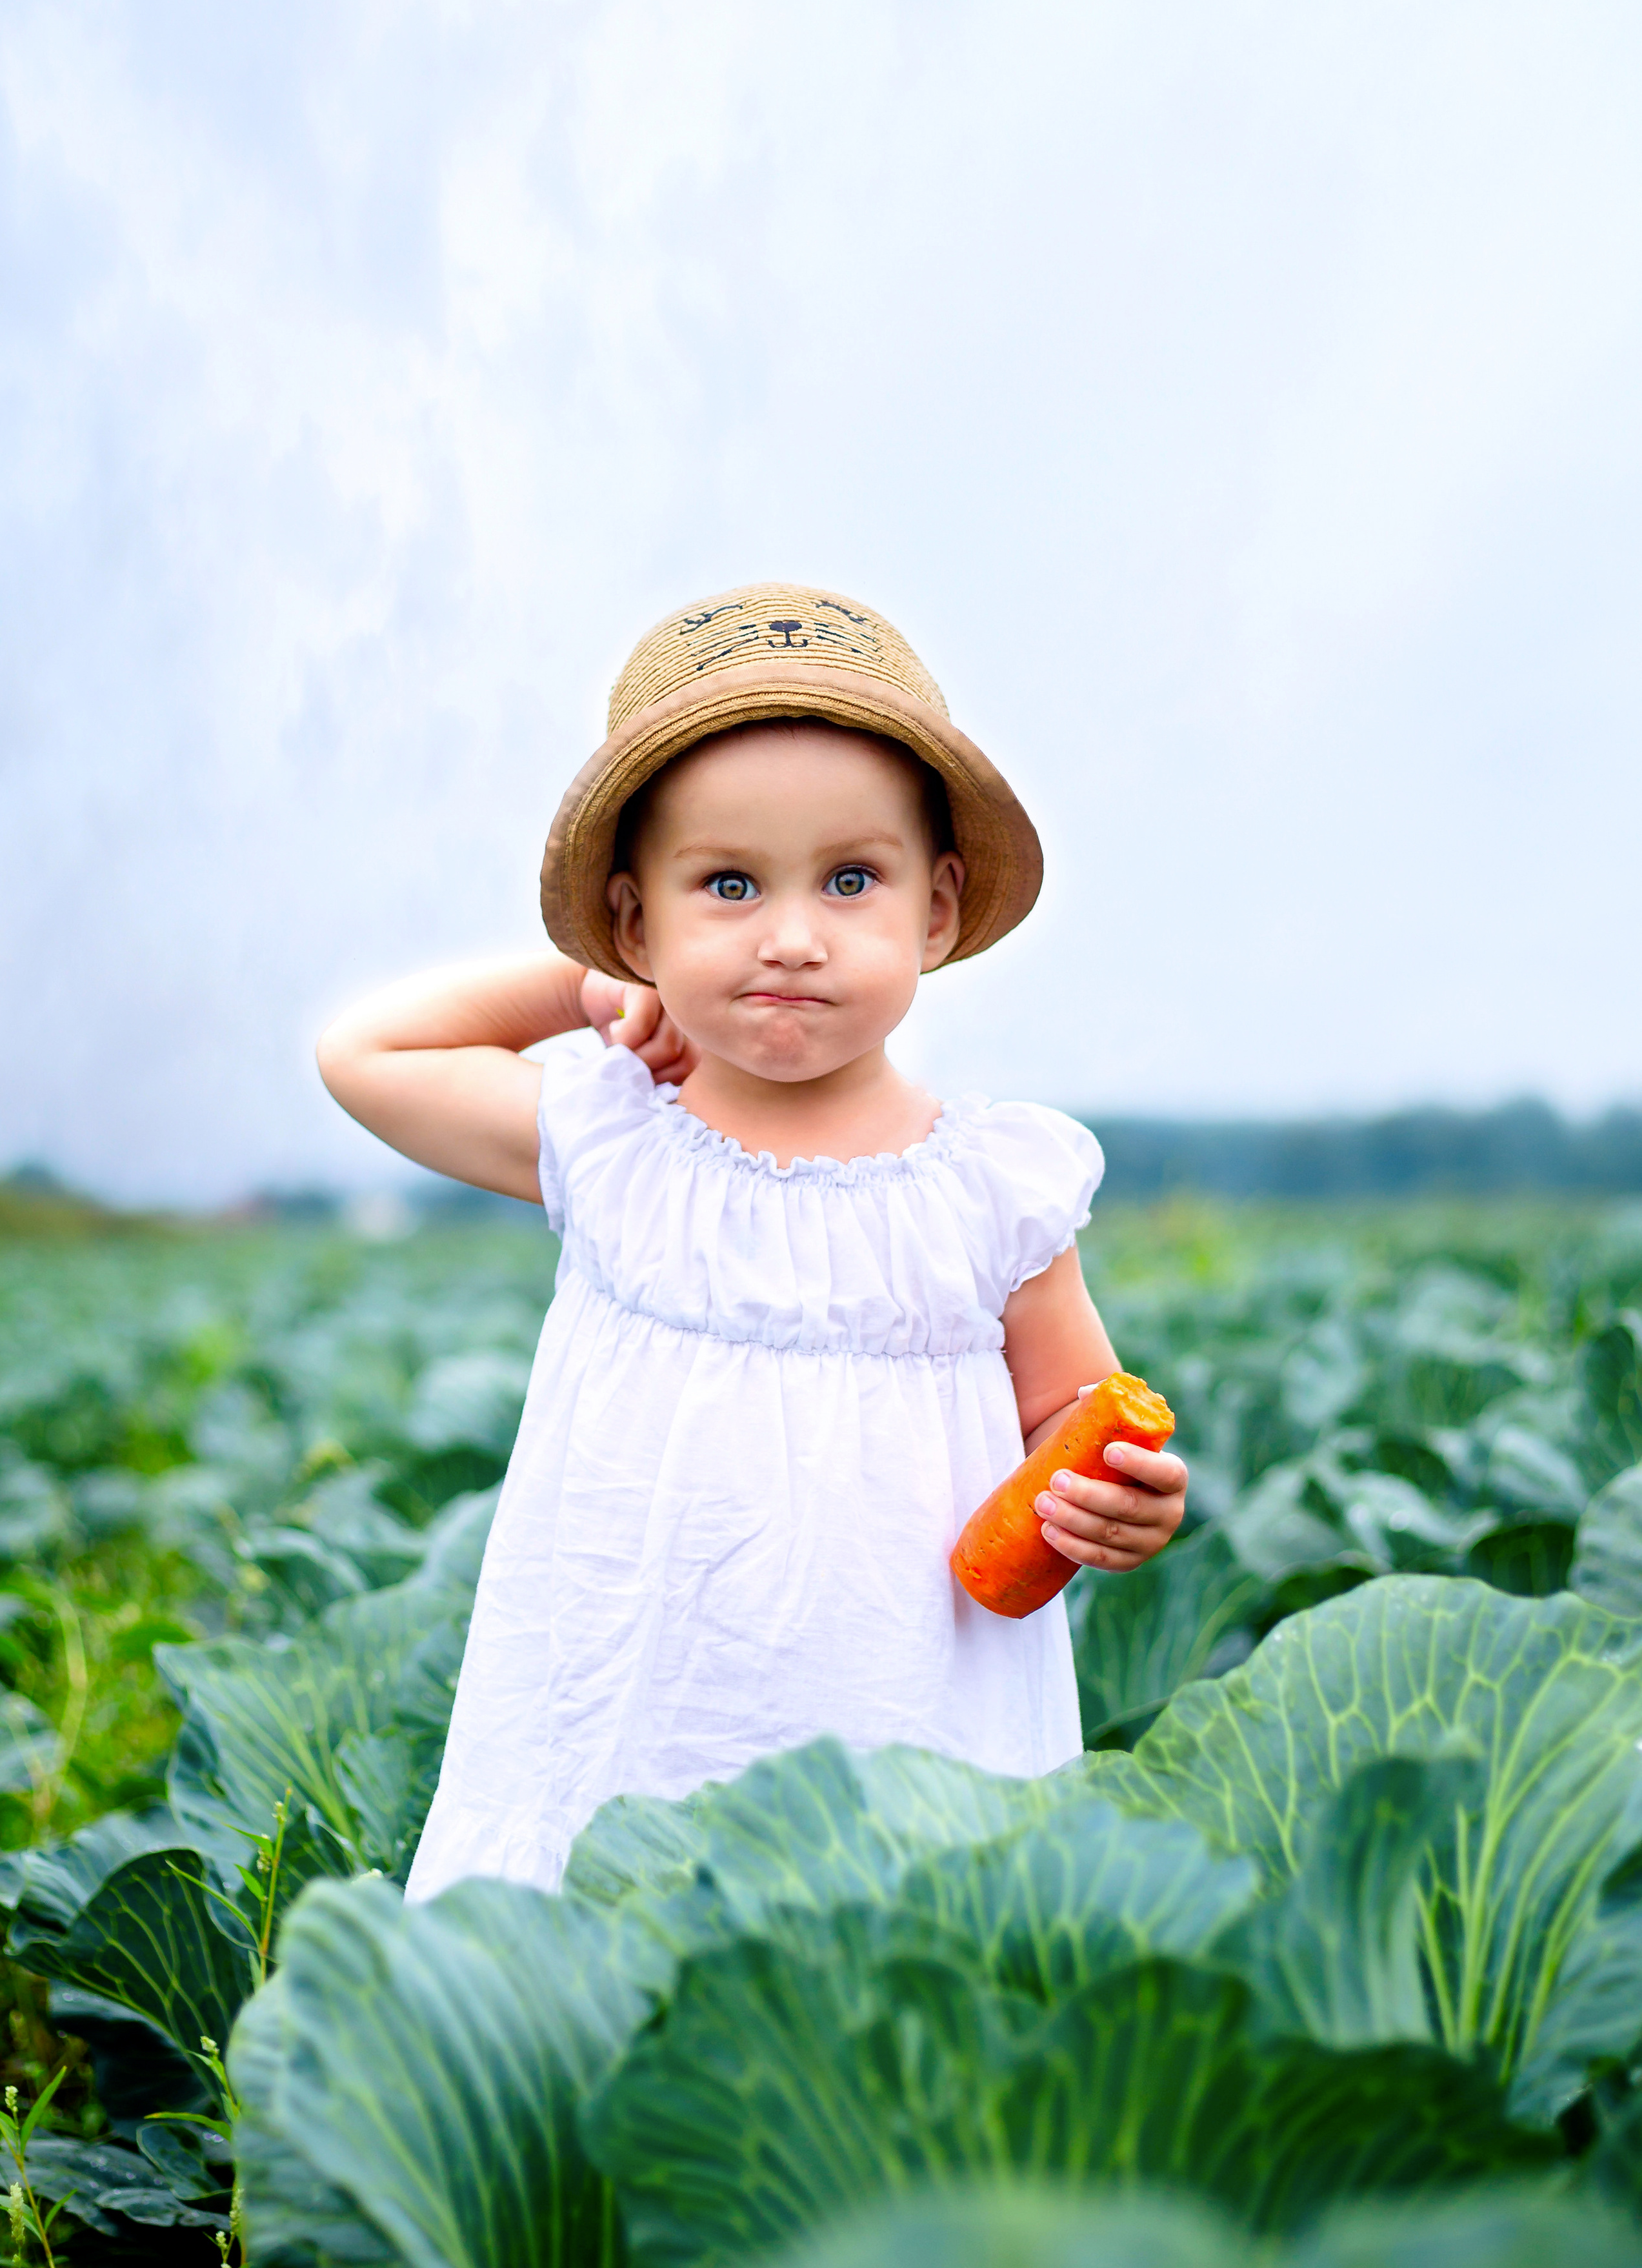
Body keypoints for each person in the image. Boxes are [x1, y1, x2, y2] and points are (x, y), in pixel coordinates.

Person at [317, 583, 1188, 1898]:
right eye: (725, 884)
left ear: (935, 911)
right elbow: (363, 1053)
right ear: (635, 922)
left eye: (851, 880)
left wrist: (1109, 1505)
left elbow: (1070, 1410)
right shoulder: (612, 1143)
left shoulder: (989, 1187)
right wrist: (575, 991)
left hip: (910, 1699)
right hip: (635, 1698)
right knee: (604, 1954)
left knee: (890, 1971)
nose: (790, 937)